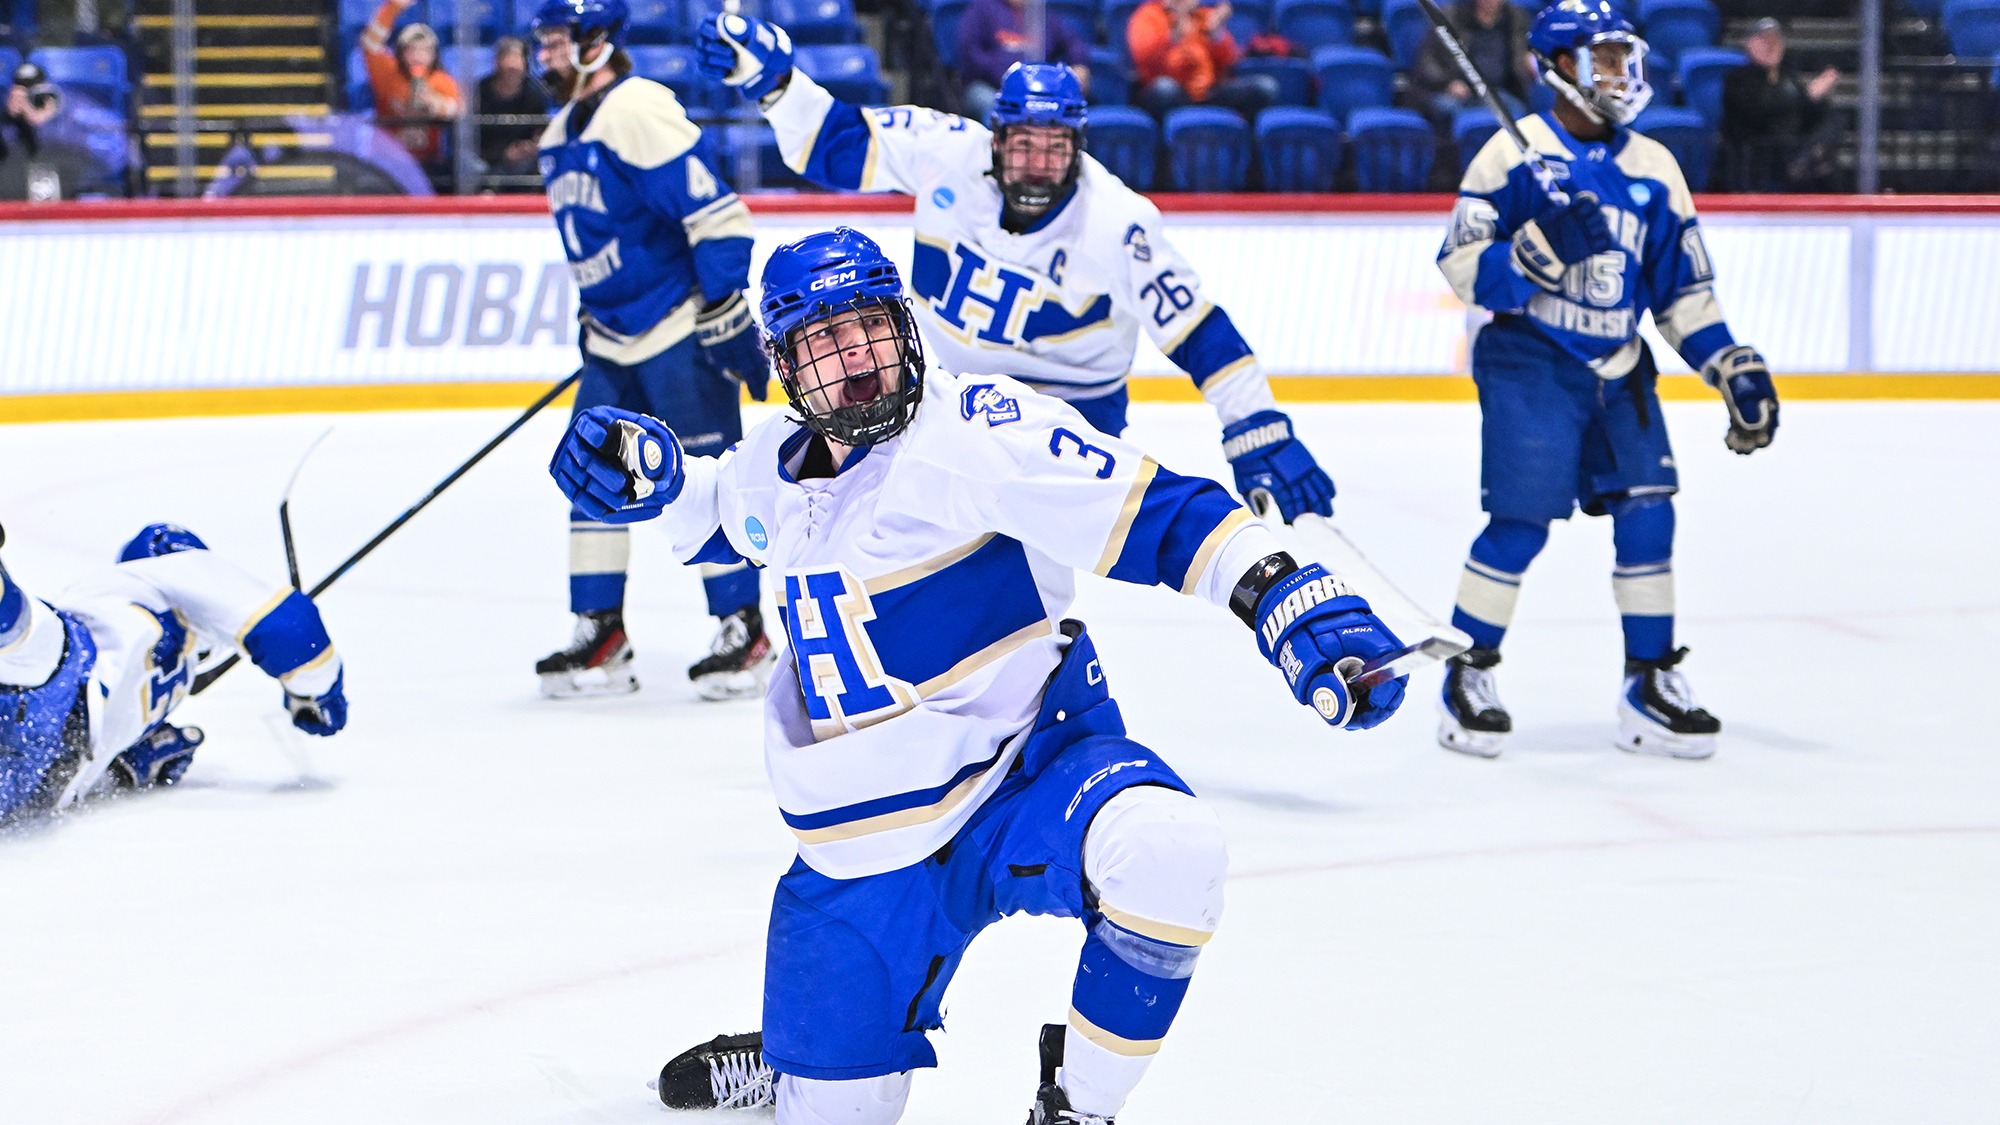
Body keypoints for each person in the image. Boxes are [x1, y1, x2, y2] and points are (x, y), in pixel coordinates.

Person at [546, 227, 1409, 1124]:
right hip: (860, 846)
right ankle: (801, 1060)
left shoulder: (975, 431)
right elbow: (731, 515)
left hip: (1026, 774)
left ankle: (1077, 1107)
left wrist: (1286, 593)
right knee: (831, 1107)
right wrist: (658, 480)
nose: (860, 364)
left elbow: (1160, 510)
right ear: (785, 366)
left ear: (905, 326)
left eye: (871, 331)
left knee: (1169, 853)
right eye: (826, 346)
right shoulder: (773, 461)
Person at [696, 24, 1337, 525]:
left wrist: (1254, 422)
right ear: (996, 135)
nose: (1035, 163)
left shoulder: (1117, 222)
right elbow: (838, 146)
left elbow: (1200, 332)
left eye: (1053, 147)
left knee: (1013, 575)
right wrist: (779, 86)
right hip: (940, 397)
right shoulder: (946, 149)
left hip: (1068, 416)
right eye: (1023, 144)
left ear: (1077, 146)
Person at [1433, 0, 1779, 761]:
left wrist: (1728, 363)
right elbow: (1462, 269)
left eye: (1627, 58)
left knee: (1650, 509)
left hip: (1620, 366)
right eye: (1605, 59)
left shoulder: (1656, 168)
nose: (1622, 75)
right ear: (1559, 68)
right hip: (1532, 362)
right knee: (1521, 523)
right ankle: (1469, 671)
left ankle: (1648, 680)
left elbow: (1680, 290)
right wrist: (1539, 251)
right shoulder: (1509, 156)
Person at [527, 0, 776, 701]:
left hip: (677, 330)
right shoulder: (556, 135)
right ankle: (601, 631)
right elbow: (596, 241)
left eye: (554, 42)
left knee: (704, 475)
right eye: (542, 42)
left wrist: (726, 302)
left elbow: (716, 210)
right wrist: (596, 313)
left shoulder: (638, 108)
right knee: (589, 477)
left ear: (596, 43)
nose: (543, 54)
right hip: (612, 339)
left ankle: (744, 629)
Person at [0, 523, 347, 826]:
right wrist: (316, 693)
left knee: (27, 640)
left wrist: (125, 767)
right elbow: (289, 629)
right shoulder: (163, 576)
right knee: (26, 635)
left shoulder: (163, 658)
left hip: (42, 747)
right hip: (54, 719)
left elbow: (288, 633)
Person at [1720, 18, 1841, 192]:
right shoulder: (1737, 80)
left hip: (1793, 150)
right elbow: (1756, 113)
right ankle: (1802, 164)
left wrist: (1817, 101)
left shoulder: (1789, 79)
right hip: (1759, 156)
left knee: (1833, 120)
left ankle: (1805, 163)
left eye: (1776, 40)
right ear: (1749, 44)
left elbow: (1809, 116)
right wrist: (1807, 97)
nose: (1772, 45)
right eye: (1765, 40)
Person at [1125, 0, 1276, 120]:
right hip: (1171, 91)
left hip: (1208, 92)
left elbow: (1229, 61)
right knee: (1165, 89)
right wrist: (1174, 33)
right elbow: (1144, 56)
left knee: (1265, 87)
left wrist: (1215, 33)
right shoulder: (1148, 16)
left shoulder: (1204, 16)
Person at [360, 0, 464, 170]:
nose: (417, 56)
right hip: (389, 158)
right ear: (401, 52)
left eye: (424, 50)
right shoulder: (388, 74)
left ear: (434, 54)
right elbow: (369, 44)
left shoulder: (441, 81)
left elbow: (459, 110)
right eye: (411, 50)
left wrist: (436, 103)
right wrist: (393, 7)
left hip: (428, 161)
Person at [955, 0, 1094, 123]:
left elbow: (1073, 42)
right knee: (990, 103)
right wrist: (1010, 78)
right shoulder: (981, 8)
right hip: (992, 86)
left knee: (1070, 104)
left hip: (1038, 88)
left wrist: (1079, 65)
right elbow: (971, 53)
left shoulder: (1040, 12)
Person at [1410, 0, 1534, 131]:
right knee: (1448, 109)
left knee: (1518, 111)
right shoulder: (1451, 16)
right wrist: (1448, 83)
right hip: (1456, 92)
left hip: (1496, 92)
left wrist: (1528, 64)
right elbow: (1427, 59)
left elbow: (1520, 56)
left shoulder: (1514, 18)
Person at [476, 35, 549, 185]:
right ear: (497, 62)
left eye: (517, 60)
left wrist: (527, 148)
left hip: (523, 159)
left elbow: (539, 132)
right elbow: (467, 139)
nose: (513, 67)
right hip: (484, 157)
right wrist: (502, 153)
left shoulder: (535, 94)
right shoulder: (479, 92)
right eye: (508, 60)